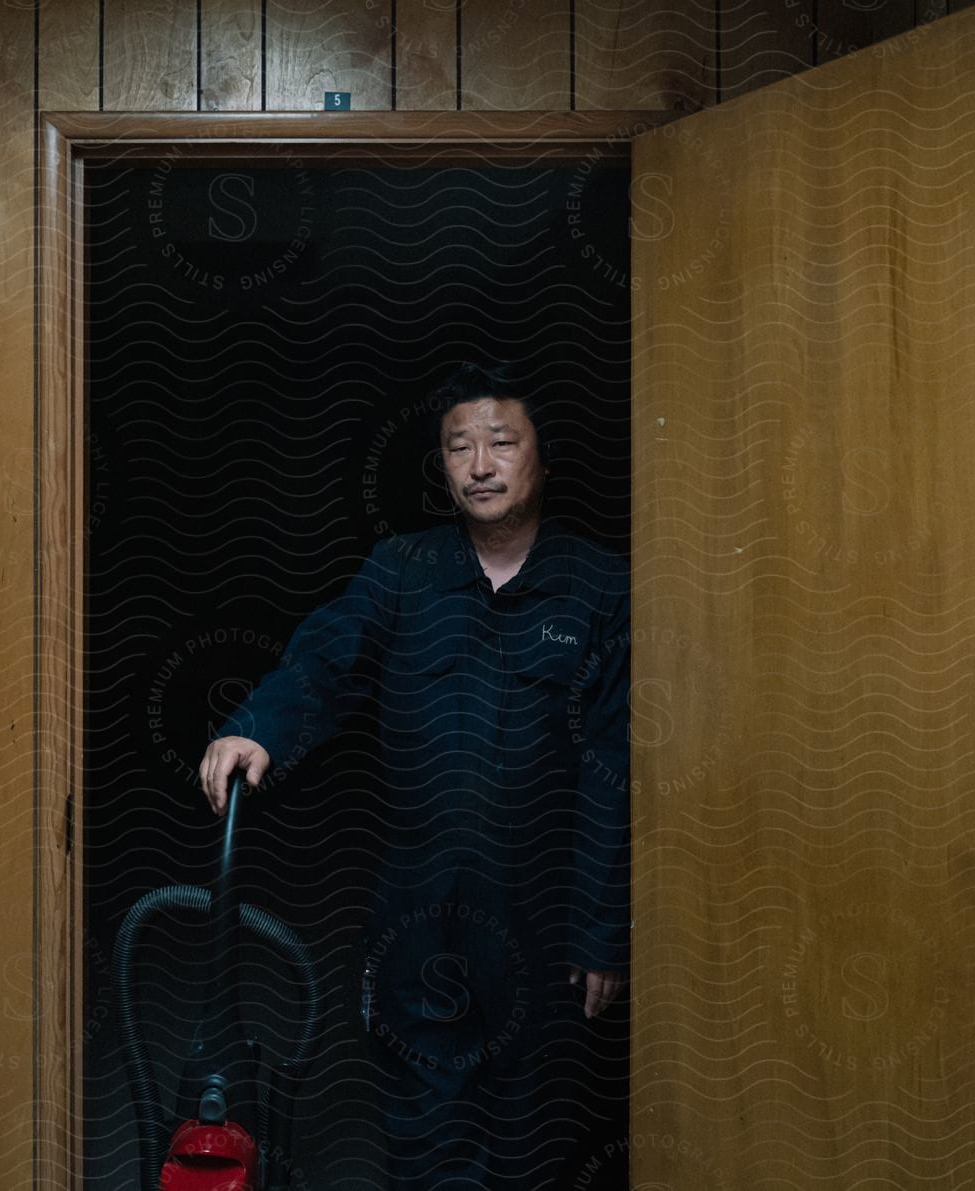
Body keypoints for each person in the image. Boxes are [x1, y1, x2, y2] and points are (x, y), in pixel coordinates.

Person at [196, 359, 631, 1191]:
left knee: (530, 1149)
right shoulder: (405, 570)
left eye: (502, 442)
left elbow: (613, 768)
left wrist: (601, 934)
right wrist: (257, 729)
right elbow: (325, 659)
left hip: (542, 933)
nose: (480, 465)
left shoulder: (600, 587)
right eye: (459, 447)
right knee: (424, 1148)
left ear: (541, 454)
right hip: (416, 926)